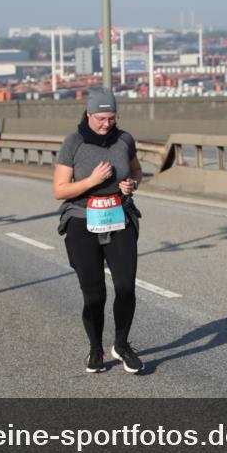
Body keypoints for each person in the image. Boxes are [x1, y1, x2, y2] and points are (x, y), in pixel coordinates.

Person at [54, 87, 145, 374]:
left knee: (126, 288)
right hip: (83, 222)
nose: (107, 124)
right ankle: (95, 348)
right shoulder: (73, 143)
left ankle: (121, 343)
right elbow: (59, 190)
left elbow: (137, 171)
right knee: (94, 294)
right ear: (89, 114)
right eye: (101, 118)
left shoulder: (124, 139)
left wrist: (131, 184)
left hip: (119, 217)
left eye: (112, 118)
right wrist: (92, 180)